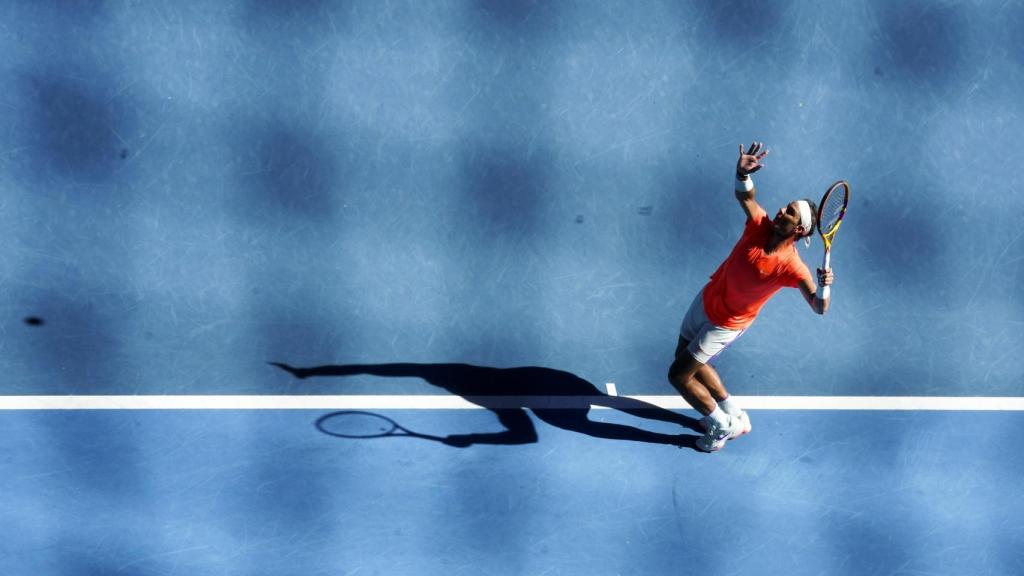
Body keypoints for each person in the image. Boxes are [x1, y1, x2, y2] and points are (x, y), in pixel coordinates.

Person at [668, 141, 835, 452]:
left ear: (798, 231)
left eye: (789, 213)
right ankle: (735, 413)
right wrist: (742, 173)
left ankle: (721, 426)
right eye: (787, 205)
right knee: (687, 356)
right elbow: (746, 196)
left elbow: (819, 307)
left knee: (678, 375)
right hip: (710, 297)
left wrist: (825, 286)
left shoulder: (792, 267)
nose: (782, 210)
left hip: (727, 322)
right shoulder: (759, 224)